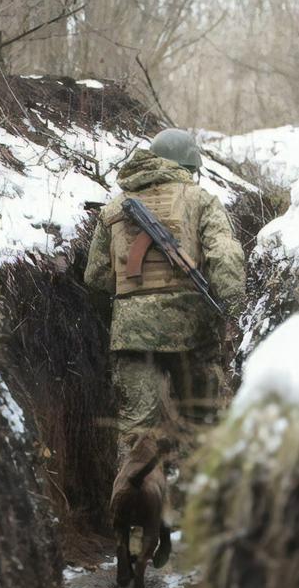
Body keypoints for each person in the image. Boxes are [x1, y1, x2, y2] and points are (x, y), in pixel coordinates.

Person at [84, 127, 245, 474]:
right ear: (188, 165)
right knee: (199, 424)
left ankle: (135, 510)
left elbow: (95, 277)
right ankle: (194, 510)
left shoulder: (115, 207)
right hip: (192, 331)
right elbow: (225, 255)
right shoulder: (200, 199)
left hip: (132, 335)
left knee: (137, 434)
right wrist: (233, 306)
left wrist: (126, 309)